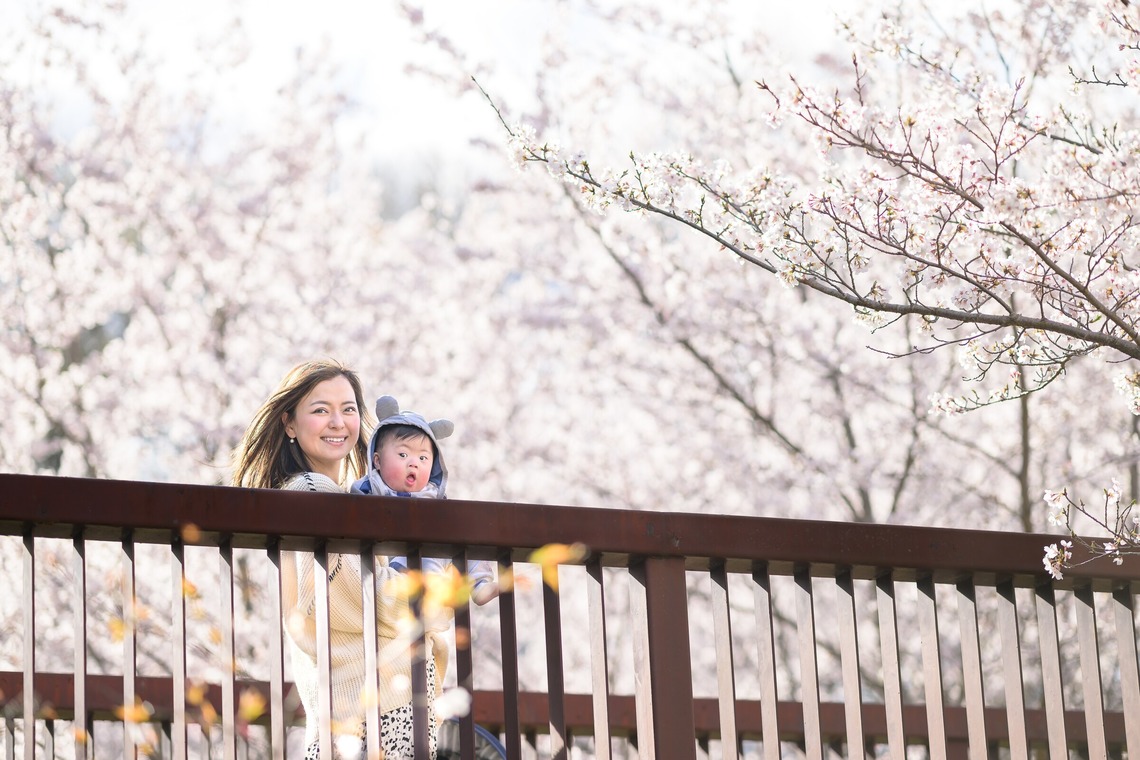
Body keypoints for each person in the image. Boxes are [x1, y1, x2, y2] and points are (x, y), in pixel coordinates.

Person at [232, 360, 451, 759]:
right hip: (377, 712)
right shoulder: (314, 491)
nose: (338, 422)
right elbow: (361, 601)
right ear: (290, 424)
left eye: (348, 409)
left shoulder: (341, 498)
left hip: (366, 709)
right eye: (320, 410)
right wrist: (433, 600)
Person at [351, 395, 499, 606]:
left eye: (423, 458)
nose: (414, 464)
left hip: (431, 563)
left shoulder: (433, 499)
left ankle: (480, 584)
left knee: (467, 533)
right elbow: (351, 511)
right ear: (377, 461)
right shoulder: (370, 490)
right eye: (403, 455)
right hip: (395, 566)